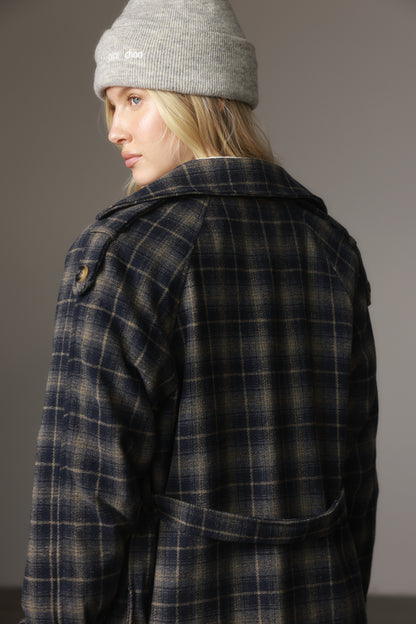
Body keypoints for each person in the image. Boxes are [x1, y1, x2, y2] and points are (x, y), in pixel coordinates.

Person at [21, 1, 378, 623]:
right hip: (324, 598)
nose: (115, 129)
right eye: (111, 105)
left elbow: (82, 489)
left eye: (135, 98)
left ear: (201, 98)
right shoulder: (331, 246)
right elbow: (356, 476)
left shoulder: (126, 252)